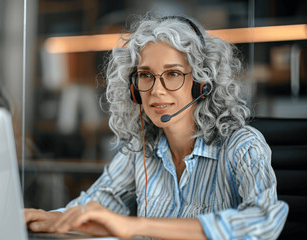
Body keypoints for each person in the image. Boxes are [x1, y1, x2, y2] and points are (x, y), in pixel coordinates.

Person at [25, 15, 288, 239]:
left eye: (173, 74)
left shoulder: (242, 145)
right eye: (146, 75)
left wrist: (136, 225)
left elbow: (264, 220)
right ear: (133, 88)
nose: (156, 91)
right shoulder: (140, 150)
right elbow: (94, 206)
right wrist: (42, 218)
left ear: (202, 83)